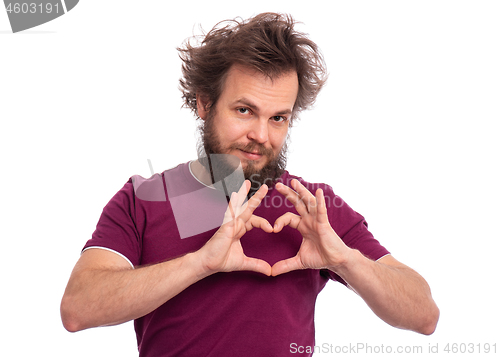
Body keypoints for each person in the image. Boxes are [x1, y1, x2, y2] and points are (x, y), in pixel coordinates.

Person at [60, 12, 439, 356]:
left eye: (278, 118)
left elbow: (424, 315)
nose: (261, 135)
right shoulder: (144, 199)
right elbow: (78, 308)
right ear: (205, 104)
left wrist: (344, 259)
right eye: (245, 111)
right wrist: (200, 264)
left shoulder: (313, 208)